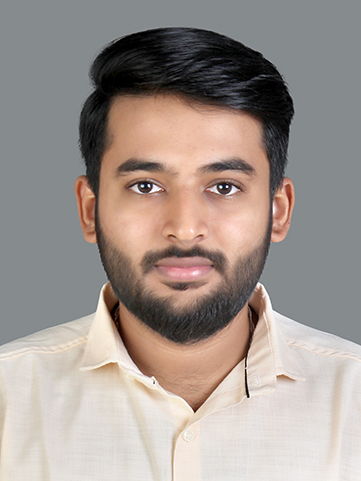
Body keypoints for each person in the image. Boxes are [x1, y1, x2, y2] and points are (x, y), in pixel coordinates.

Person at [0, 27, 360, 480]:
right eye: (145, 186)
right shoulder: (7, 400)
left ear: (279, 210)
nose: (185, 228)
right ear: (90, 210)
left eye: (224, 186)